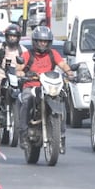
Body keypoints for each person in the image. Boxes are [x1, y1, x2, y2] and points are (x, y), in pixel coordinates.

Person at [15, 26, 75, 154]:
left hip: (49, 86)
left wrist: (70, 73)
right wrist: (23, 74)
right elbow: (19, 70)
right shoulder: (27, 55)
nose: (43, 44)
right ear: (35, 41)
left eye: (46, 41)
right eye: (41, 41)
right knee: (26, 101)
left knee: (62, 101)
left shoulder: (53, 54)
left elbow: (63, 65)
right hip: (31, 86)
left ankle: (61, 137)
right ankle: (23, 135)